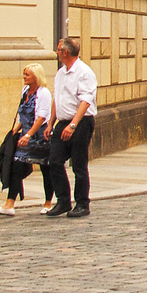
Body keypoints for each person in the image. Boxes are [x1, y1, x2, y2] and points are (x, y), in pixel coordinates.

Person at [45, 36, 97, 218]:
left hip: (81, 122)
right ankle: (63, 201)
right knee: (55, 161)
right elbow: (56, 98)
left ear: (65, 52)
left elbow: (86, 101)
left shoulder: (84, 72)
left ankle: (82, 203)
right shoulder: (61, 73)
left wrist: (73, 125)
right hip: (63, 121)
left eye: (58, 50)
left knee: (79, 164)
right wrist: (51, 122)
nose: (57, 52)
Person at [0, 63, 53, 216]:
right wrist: (15, 131)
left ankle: (48, 203)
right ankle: (9, 204)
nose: (24, 77)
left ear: (36, 77)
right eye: (24, 74)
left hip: (39, 137)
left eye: (27, 75)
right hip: (24, 136)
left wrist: (28, 135)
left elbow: (41, 117)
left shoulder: (43, 93)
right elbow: (21, 114)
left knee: (46, 169)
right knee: (16, 166)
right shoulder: (25, 91)